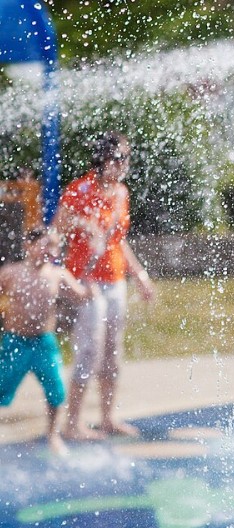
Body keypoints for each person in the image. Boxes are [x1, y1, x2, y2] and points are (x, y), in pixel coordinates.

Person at [53, 132, 156, 440]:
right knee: (88, 350)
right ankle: (72, 424)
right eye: (121, 158)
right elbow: (57, 228)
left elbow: (118, 239)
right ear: (103, 161)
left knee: (112, 351)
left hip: (115, 280)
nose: (125, 164)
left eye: (126, 158)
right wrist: (86, 224)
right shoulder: (79, 189)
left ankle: (108, 418)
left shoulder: (122, 193)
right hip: (87, 282)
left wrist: (139, 275)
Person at [0, 229, 91, 456]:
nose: (49, 250)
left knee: (56, 390)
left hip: (44, 343)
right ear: (28, 246)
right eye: (44, 245)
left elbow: (79, 295)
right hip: (15, 342)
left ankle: (52, 434)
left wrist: (90, 290)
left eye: (53, 246)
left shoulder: (58, 275)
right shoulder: (11, 273)